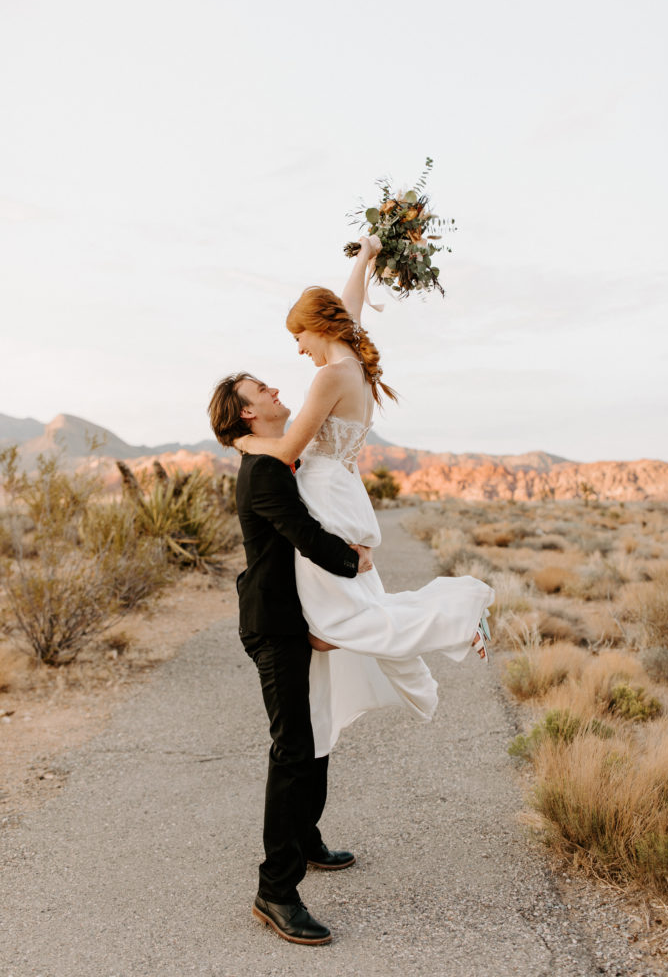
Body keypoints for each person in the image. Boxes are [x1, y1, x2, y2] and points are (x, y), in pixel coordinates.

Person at [231, 236, 495, 758]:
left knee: (334, 623)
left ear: (317, 329)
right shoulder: (350, 354)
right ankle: (453, 621)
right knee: (346, 616)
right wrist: (366, 255)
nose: (297, 348)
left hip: (326, 495)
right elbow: (348, 302)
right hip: (343, 491)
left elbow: (287, 448)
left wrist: (239, 440)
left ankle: (459, 617)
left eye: (298, 336)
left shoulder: (331, 376)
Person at [208, 373, 374, 946]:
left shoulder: (275, 457)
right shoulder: (263, 471)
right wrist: (354, 562)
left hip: (299, 619)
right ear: (247, 414)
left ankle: (305, 838)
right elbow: (305, 535)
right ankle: (275, 890)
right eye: (262, 390)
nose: (277, 390)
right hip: (273, 627)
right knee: (294, 748)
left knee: (317, 728)